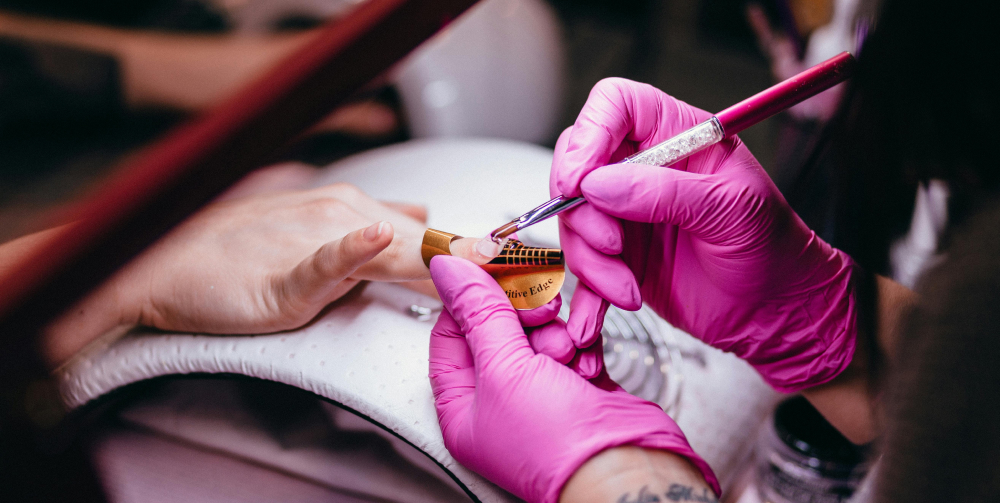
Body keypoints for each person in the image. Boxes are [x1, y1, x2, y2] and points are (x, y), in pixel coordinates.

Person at [424, 0, 1000, 502]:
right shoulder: (972, 303)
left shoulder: (980, 270)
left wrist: (617, 477)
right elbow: (973, 419)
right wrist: (821, 321)